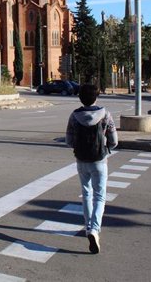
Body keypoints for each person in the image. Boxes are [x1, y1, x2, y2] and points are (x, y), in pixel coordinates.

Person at [66, 83, 118, 255]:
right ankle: (94, 229)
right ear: (96, 97)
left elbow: (69, 140)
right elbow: (114, 139)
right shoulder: (105, 114)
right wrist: (108, 147)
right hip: (100, 159)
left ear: (80, 98)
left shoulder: (74, 116)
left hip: (81, 159)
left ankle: (88, 228)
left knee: (86, 193)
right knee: (99, 195)